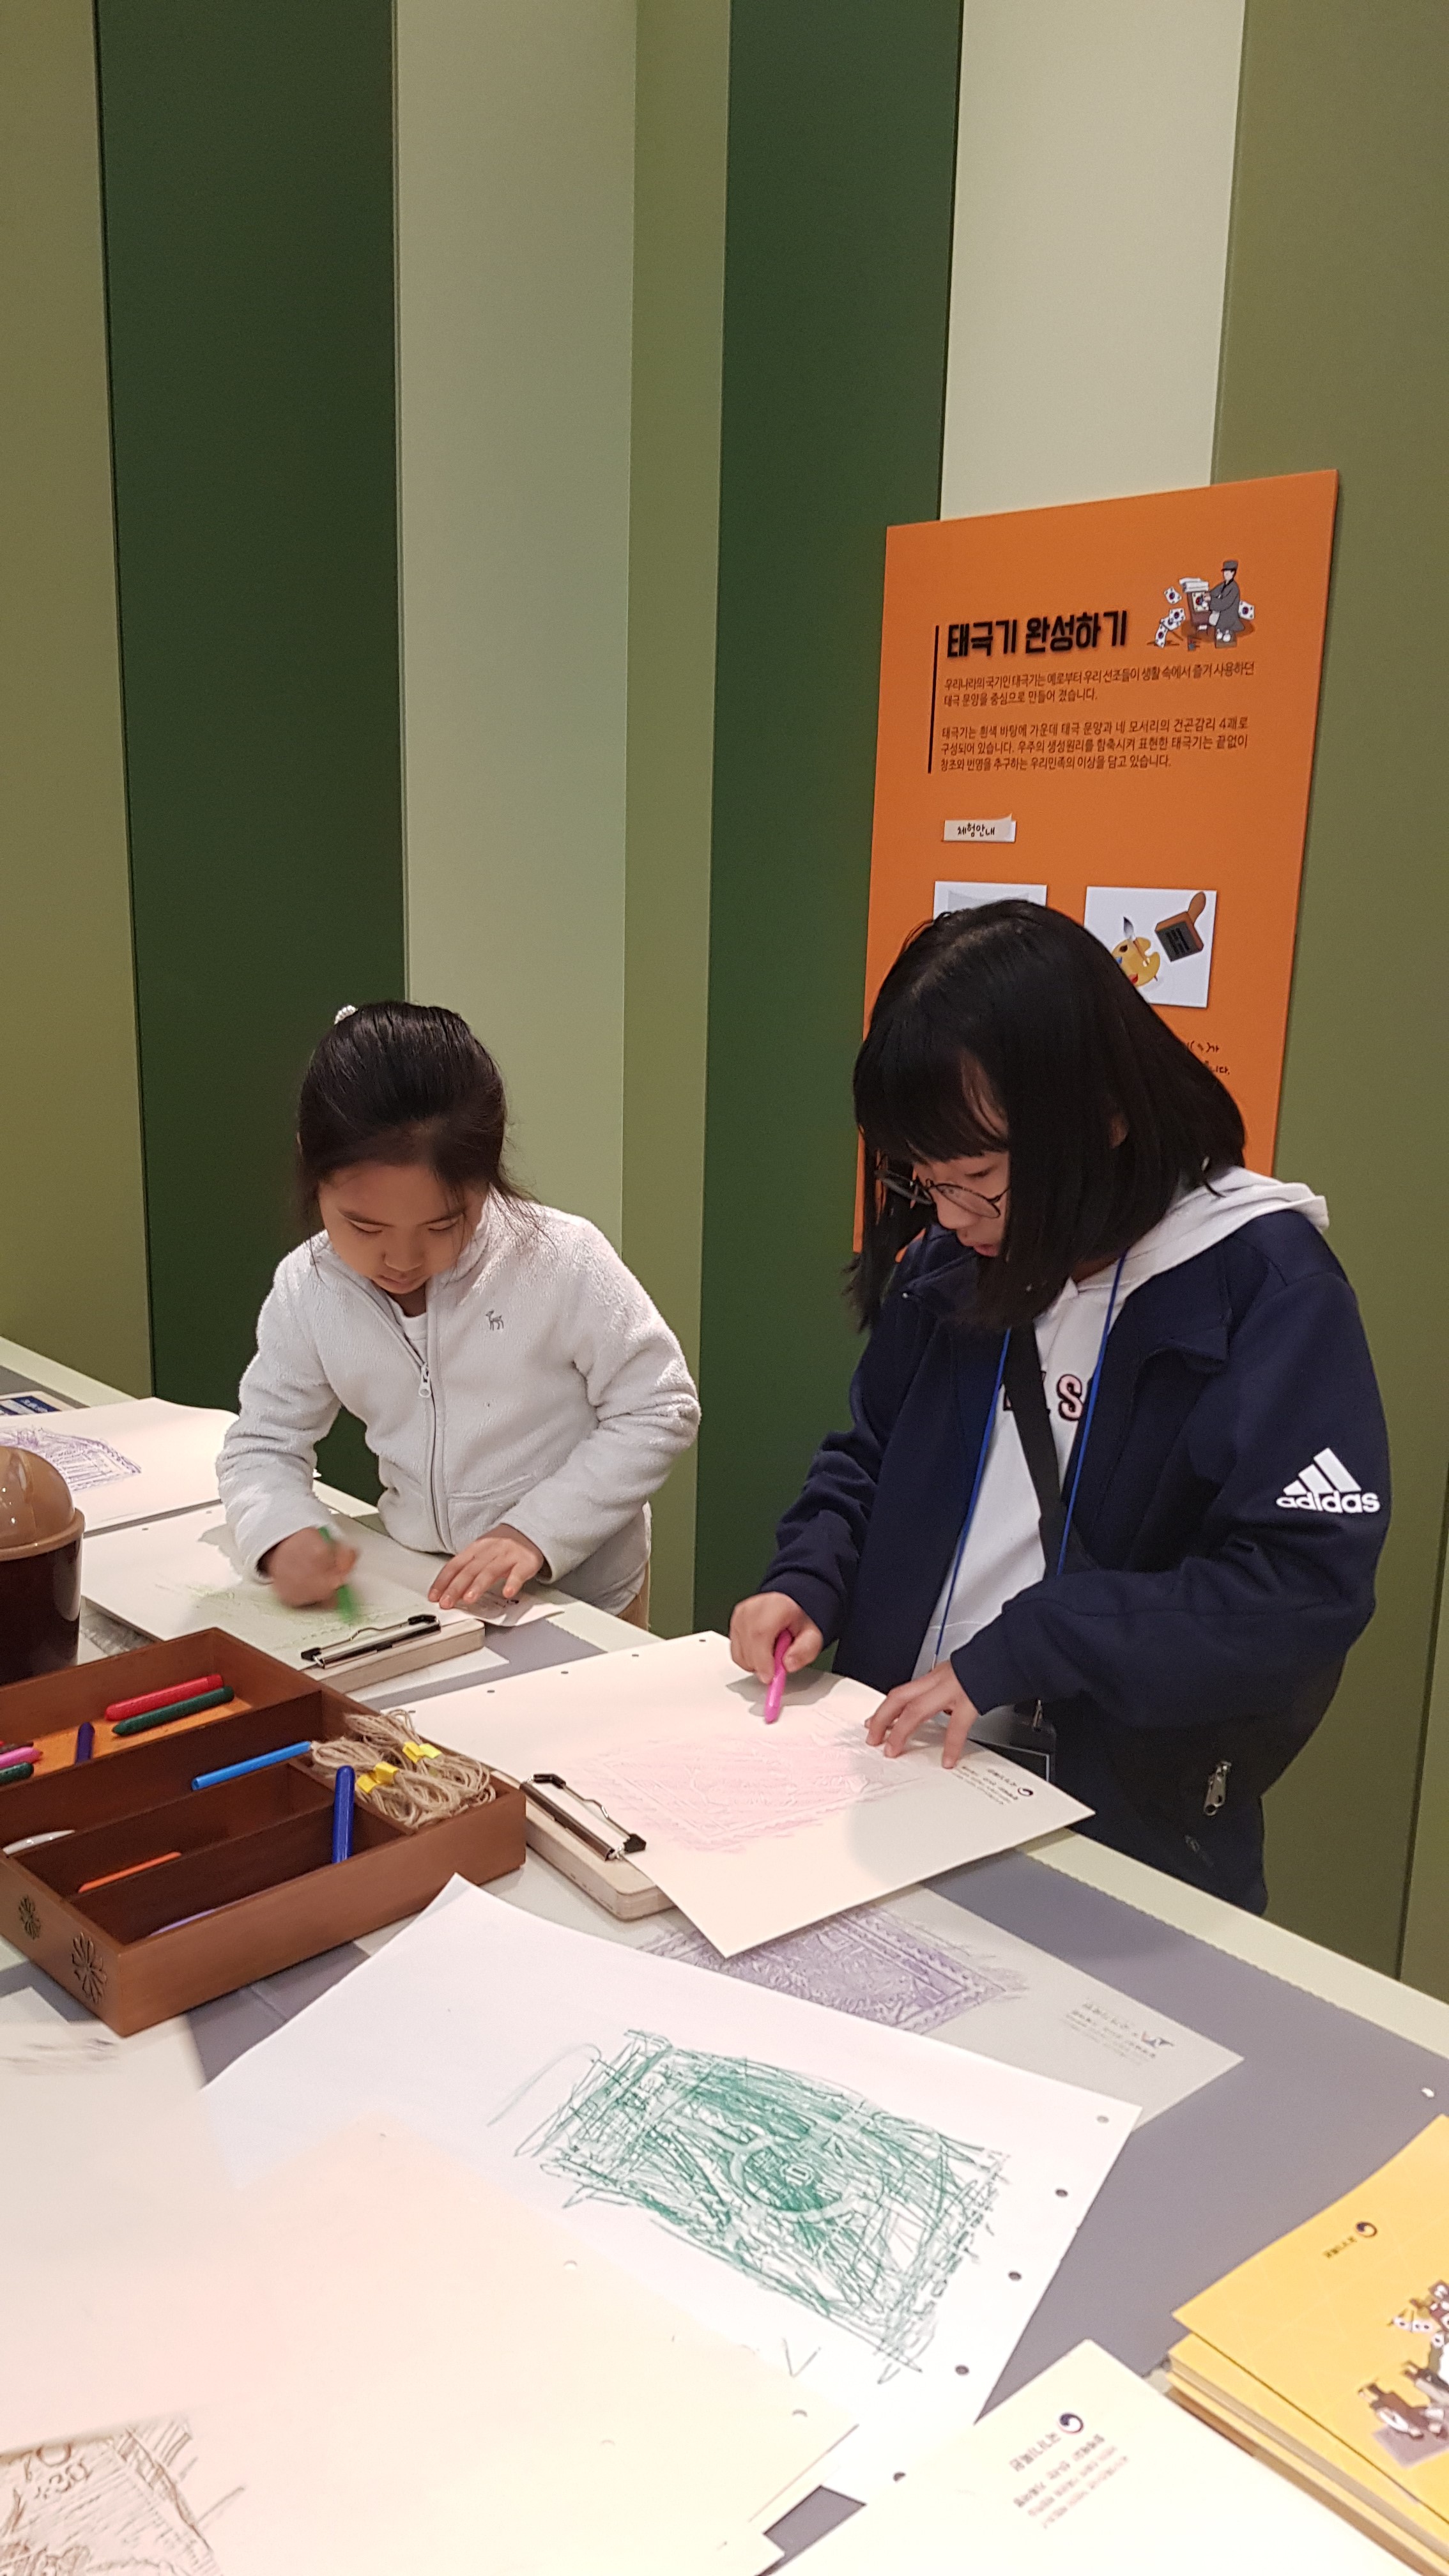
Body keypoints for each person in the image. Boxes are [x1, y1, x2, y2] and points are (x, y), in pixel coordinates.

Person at [730, 902, 1388, 1912]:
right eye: (924, 1179)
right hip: (898, 1778)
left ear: (1104, 1118)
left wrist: (1038, 1643)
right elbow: (869, 1454)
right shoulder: (955, 1259)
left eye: (979, 1180)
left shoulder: (1263, 1289)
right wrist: (809, 1575)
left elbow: (1297, 1592)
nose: (950, 1216)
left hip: (1116, 1831)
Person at [218, 1001, 698, 1623]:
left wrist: (535, 1532)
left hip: (580, 1595)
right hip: (430, 1590)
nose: (402, 1259)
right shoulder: (309, 1288)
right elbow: (263, 1443)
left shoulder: (559, 1259)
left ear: (486, 1176)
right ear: (311, 1165)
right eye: (364, 1227)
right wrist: (282, 1530)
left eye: (444, 1225)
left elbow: (659, 1406)